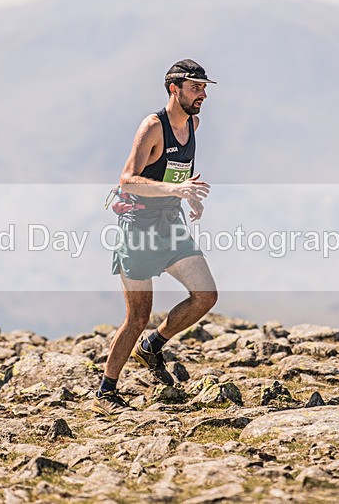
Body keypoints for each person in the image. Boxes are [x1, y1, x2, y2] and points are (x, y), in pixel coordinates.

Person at [93, 59, 219, 416]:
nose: (203, 94)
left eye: (205, 87)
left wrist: (188, 197)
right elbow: (127, 179)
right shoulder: (153, 127)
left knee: (206, 295)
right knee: (137, 316)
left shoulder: (193, 124)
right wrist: (174, 189)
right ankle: (107, 390)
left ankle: (153, 345)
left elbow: (179, 174)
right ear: (173, 89)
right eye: (196, 87)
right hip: (138, 229)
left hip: (171, 225)